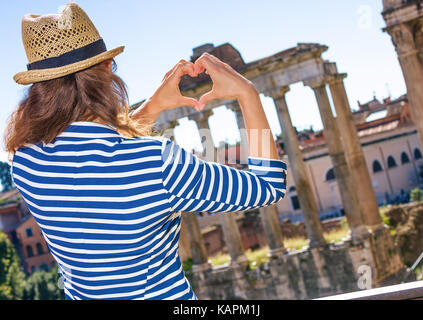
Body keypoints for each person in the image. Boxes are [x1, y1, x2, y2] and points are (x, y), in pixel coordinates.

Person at [5, 2, 287, 300]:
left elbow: (99, 155)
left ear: (38, 87)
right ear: (106, 69)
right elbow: (268, 186)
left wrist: (154, 105)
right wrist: (247, 92)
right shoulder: (158, 162)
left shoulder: (26, 163)